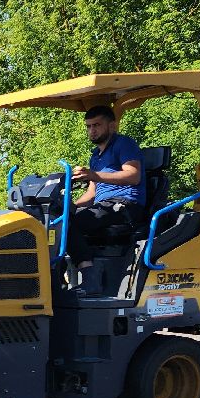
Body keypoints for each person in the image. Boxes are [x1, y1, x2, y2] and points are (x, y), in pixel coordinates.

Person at [67, 104, 143, 290]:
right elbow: (92, 194)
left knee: (72, 224)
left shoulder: (124, 144)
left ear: (112, 126)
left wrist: (94, 175)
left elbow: (133, 176)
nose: (92, 130)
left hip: (126, 205)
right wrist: (70, 206)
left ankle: (90, 279)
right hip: (104, 205)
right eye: (89, 126)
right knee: (61, 221)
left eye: (97, 125)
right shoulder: (96, 155)